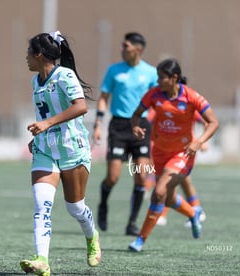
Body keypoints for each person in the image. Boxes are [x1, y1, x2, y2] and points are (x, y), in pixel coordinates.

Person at [20, 31, 101, 276]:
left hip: (72, 149)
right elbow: (44, 115)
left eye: (28, 53)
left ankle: (92, 236)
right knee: (41, 207)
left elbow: (81, 106)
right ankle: (42, 260)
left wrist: (47, 124)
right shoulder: (35, 81)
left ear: (39, 54)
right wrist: (39, 134)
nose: (25, 58)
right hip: (45, 151)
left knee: (75, 207)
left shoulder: (65, 76)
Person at [128, 58, 219, 252]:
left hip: (182, 153)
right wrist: (135, 126)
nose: (158, 81)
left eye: (162, 78)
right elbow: (136, 114)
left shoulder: (191, 97)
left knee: (159, 192)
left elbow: (213, 122)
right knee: (168, 198)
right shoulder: (154, 95)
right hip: (159, 152)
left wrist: (199, 142)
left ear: (174, 77)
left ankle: (140, 240)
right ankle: (193, 213)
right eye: (158, 77)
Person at [93, 32, 158, 236]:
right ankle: (103, 205)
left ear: (138, 49)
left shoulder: (150, 73)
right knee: (113, 177)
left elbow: (157, 101)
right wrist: (98, 123)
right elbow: (103, 97)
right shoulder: (113, 70)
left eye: (126, 46)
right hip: (119, 126)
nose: (122, 49)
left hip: (142, 126)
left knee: (141, 175)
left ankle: (132, 223)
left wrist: (153, 124)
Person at [146, 109, 208, 227]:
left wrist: (202, 141)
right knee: (179, 182)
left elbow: (206, 121)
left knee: (169, 180)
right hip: (166, 150)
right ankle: (196, 210)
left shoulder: (186, 105)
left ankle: (163, 214)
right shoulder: (159, 105)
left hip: (184, 150)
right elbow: (149, 124)